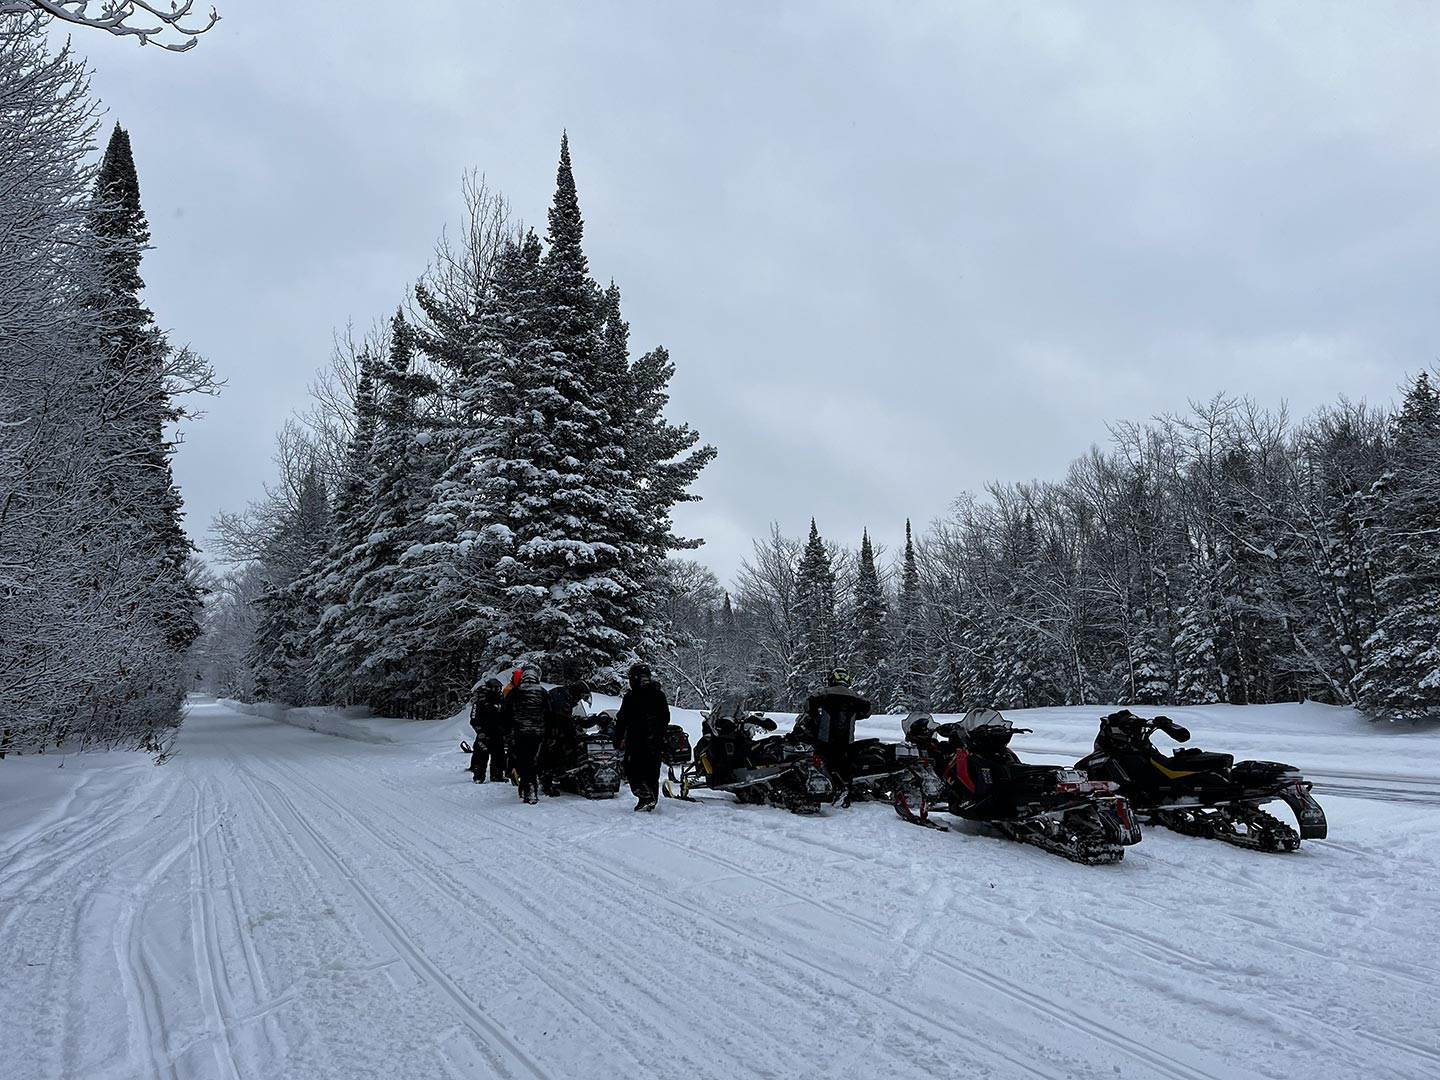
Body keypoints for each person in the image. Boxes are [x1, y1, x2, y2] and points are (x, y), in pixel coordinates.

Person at [795, 668, 872, 785]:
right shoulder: (855, 697)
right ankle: (844, 787)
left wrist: (816, 714)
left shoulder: (823, 693)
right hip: (846, 741)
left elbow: (808, 706)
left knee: (816, 760)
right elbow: (867, 711)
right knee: (843, 766)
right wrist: (853, 715)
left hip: (825, 740)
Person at [613, 663, 670, 811]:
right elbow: (665, 717)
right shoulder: (658, 694)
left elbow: (622, 719)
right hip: (655, 740)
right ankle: (649, 799)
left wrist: (617, 738)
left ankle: (645, 797)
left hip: (638, 739)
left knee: (632, 769)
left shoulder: (631, 696)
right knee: (651, 771)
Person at [501, 668, 549, 804]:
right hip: (538, 733)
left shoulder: (515, 692)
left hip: (520, 733)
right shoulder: (543, 692)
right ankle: (530, 787)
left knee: (523, 760)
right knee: (534, 761)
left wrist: (507, 732)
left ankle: (528, 789)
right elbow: (549, 713)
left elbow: (506, 713)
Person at [540, 680, 591, 796]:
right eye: (581, 697)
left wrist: (581, 722)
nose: (580, 700)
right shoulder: (561, 701)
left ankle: (566, 776)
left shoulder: (565, 696)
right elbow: (562, 720)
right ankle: (547, 783)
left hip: (553, 728)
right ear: (577, 693)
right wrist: (573, 729)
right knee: (552, 752)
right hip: (550, 731)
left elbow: (568, 719)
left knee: (567, 745)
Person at [468, 678, 506, 783]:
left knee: (498, 755)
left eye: (499, 688)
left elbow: (507, 716)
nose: (498, 690)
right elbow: (474, 719)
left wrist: (506, 730)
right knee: (481, 755)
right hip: (484, 734)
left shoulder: (502, 701)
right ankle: (478, 776)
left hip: (498, 734)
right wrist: (480, 731)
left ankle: (497, 775)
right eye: (496, 688)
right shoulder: (480, 703)